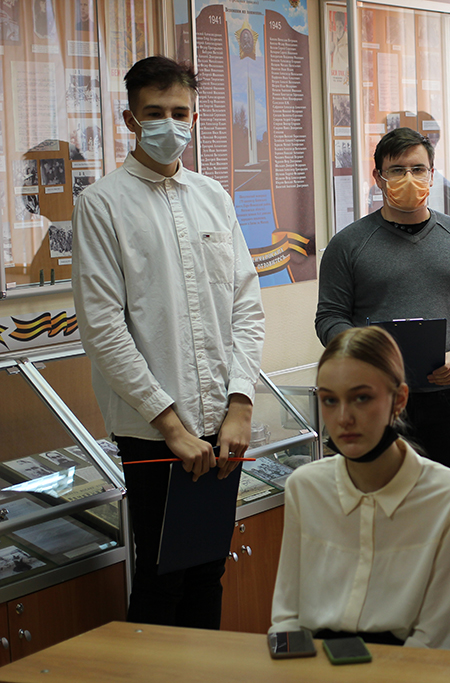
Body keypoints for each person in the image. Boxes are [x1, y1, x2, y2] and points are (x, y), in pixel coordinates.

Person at [72, 56, 265, 629]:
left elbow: (245, 305)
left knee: (208, 571)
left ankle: (204, 668)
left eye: (180, 112)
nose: (169, 124)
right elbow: (103, 328)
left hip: (222, 426)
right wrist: (173, 427)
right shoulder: (102, 204)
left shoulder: (213, 195)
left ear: (195, 118)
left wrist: (240, 404)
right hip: (155, 434)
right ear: (130, 119)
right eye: (154, 113)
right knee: (161, 581)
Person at [269, 327, 450, 648]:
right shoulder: (305, 486)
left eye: (362, 398)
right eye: (329, 400)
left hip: (405, 666)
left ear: (399, 400)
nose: (343, 418)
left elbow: (435, 641)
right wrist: (294, 665)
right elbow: (285, 617)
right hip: (314, 662)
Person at [316, 127, 450, 472]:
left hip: (443, 398)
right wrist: (364, 354)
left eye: (418, 169)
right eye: (397, 170)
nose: (409, 178)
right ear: (378, 178)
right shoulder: (348, 244)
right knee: (370, 496)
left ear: (432, 174)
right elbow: (329, 318)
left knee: (441, 496)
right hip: (370, 397)